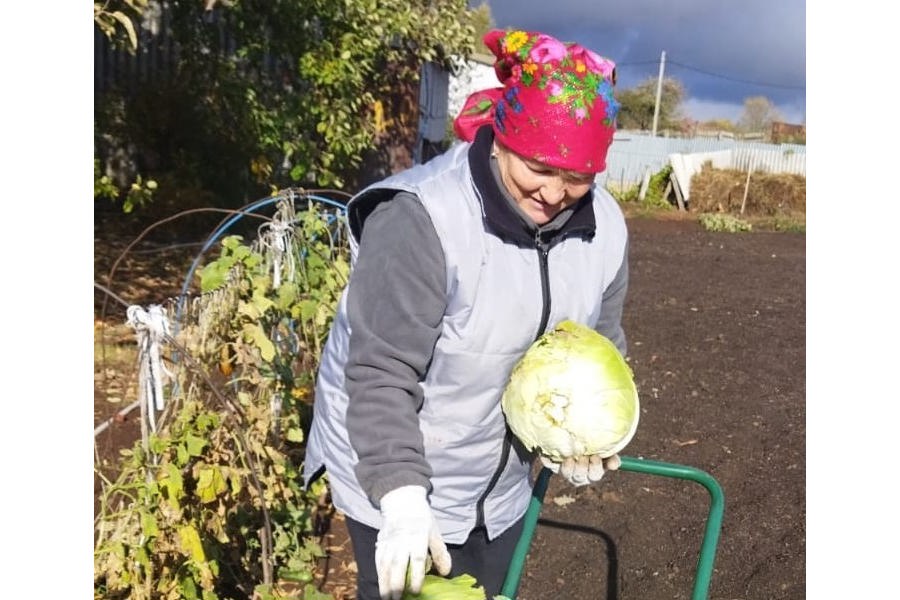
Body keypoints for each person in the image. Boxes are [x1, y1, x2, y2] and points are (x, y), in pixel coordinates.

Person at [303, 28, 629, 600]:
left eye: (577, 177)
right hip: (396, 462)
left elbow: (601, 340)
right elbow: (380, 372)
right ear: (502, 139)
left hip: (501, 482)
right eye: (538, 167)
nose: (554, 194)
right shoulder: (422, 220)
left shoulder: (604, 227)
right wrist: (401, 497)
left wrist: (588, 431)